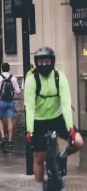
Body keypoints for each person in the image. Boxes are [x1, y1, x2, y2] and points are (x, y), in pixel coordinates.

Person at [25, 46, 85, 191]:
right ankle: (39, 188)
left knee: (78, 142)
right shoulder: (31, 80)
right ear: (37, 62)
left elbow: (65, 104)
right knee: (39, 158)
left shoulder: (60, 77)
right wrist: (30, 130)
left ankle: (62, 156)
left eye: (47, 61)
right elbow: (30, 107)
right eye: (41, 61)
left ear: (52, 61)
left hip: (57, 119)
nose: (44, 64)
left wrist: (70, 127)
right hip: (38, 121)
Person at [0, 62, 21, 149]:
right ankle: (10, 140)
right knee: (10, 120)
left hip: (2, 101)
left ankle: (3, 137)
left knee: (0, 119)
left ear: (1, 69)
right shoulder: (13, 78)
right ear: (9, 69)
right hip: (11, 102)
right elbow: (18, 92)